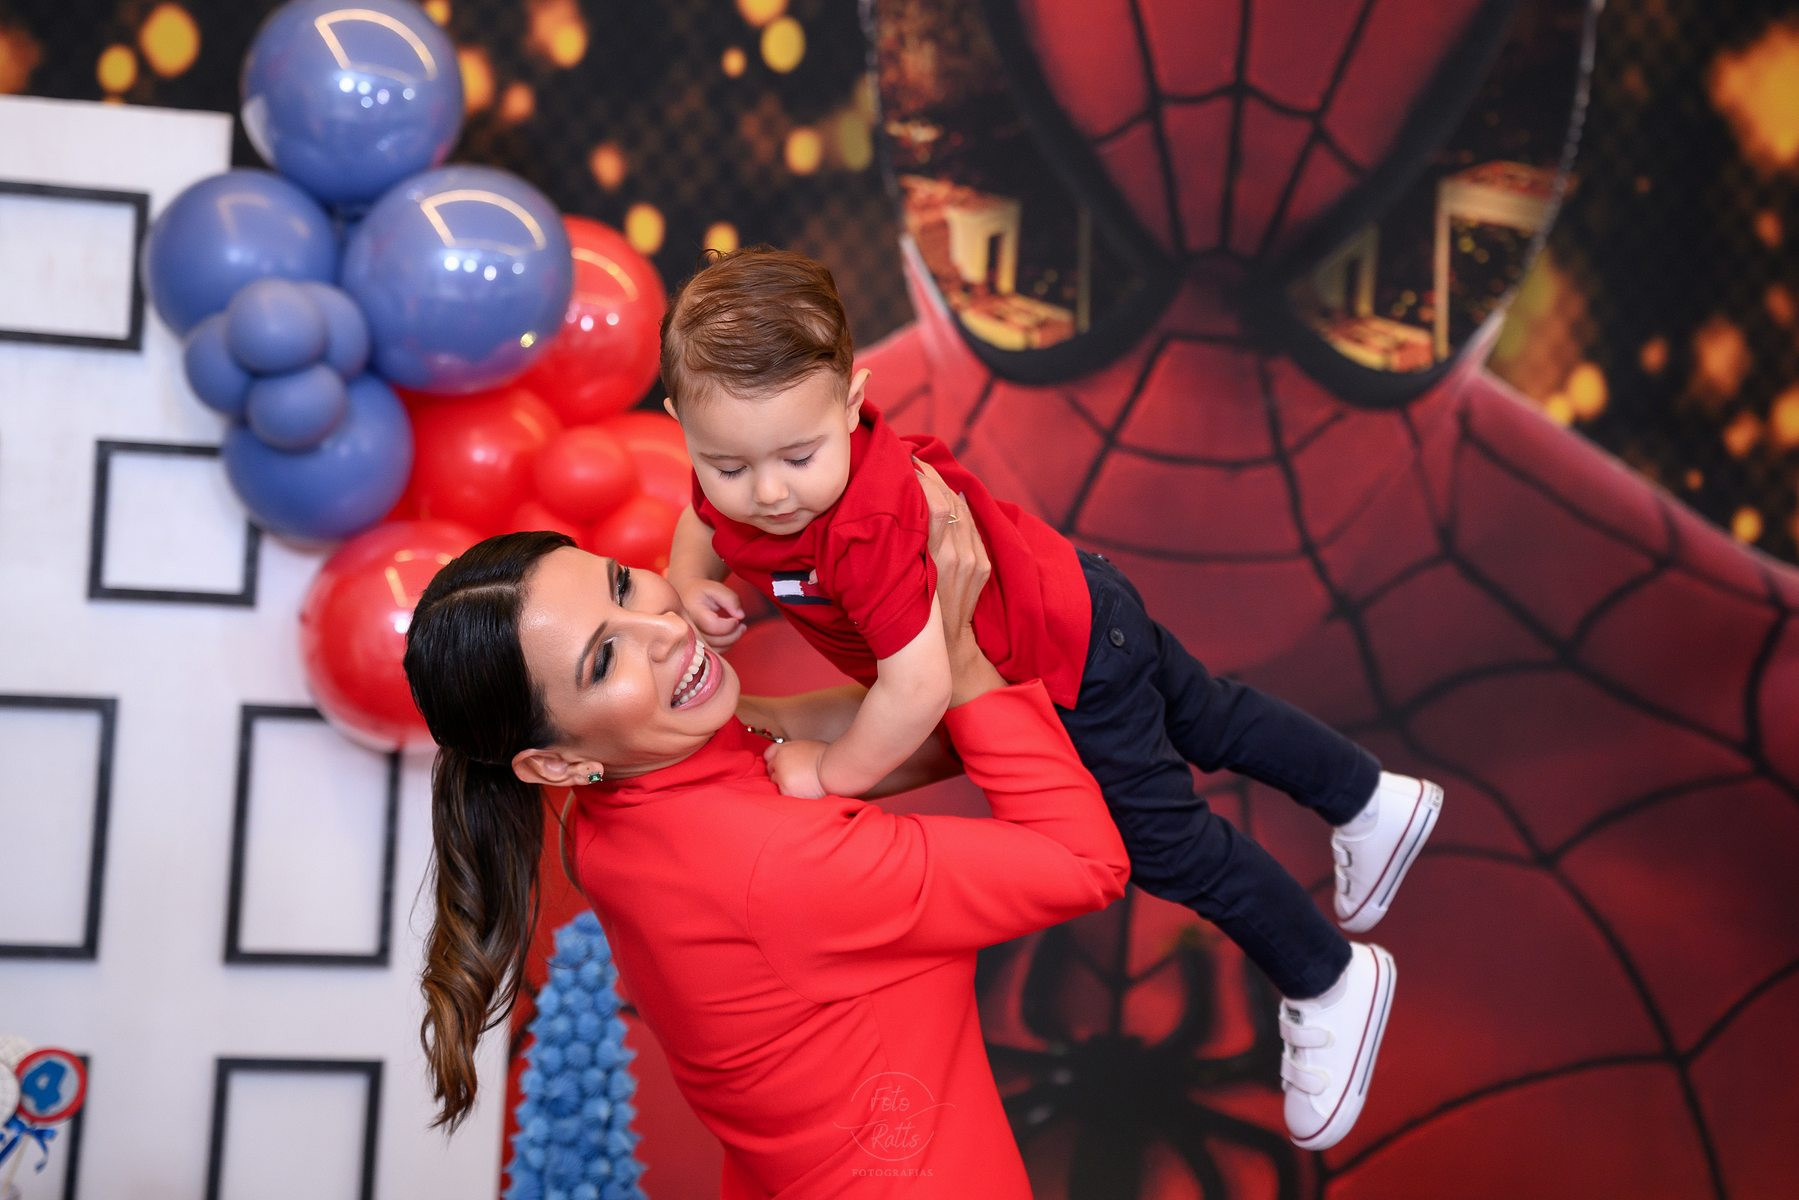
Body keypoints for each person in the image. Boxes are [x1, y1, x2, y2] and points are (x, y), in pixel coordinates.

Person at [662, 247, 1442, 1151]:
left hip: (1064, 671)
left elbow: (917, 688)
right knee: (1208, 716)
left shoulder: (866, 528)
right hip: (1078, 593)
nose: (767, 493)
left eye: (800, 456)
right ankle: (1366, 795)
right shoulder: (739, 476)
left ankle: (1327, 977)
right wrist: (688, 580)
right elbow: (699, 517)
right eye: (727, 465)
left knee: (1168, 847)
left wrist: (829, 772)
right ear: (682, 427)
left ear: (851, 403)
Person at [401, 470, 1130, 1197]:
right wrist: (958, 649)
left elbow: (912, 736)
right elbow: (1082, 860)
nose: (665, 629)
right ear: (554, 763)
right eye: (604, 659)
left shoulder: (623, 799)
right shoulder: (773, 860)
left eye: (623, 585)